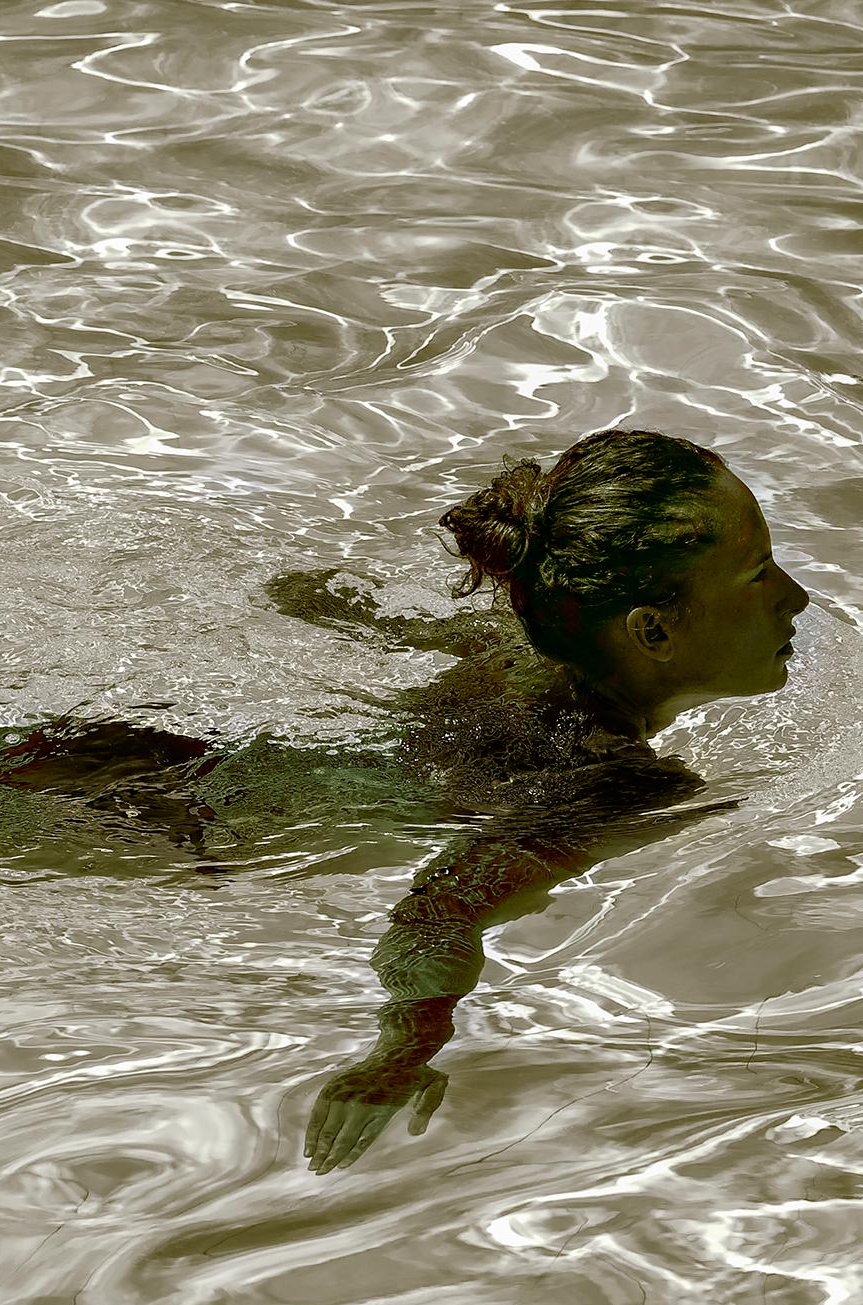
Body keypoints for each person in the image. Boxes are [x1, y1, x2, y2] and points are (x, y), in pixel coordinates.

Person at [303, 427, 810, 1174]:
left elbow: (322, 599)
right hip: (170, 840)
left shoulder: (511, 650)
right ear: (655, 631)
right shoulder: (622, 784)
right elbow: (440, 908)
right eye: (759, 573)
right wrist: (404, 1049)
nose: (796, 598)